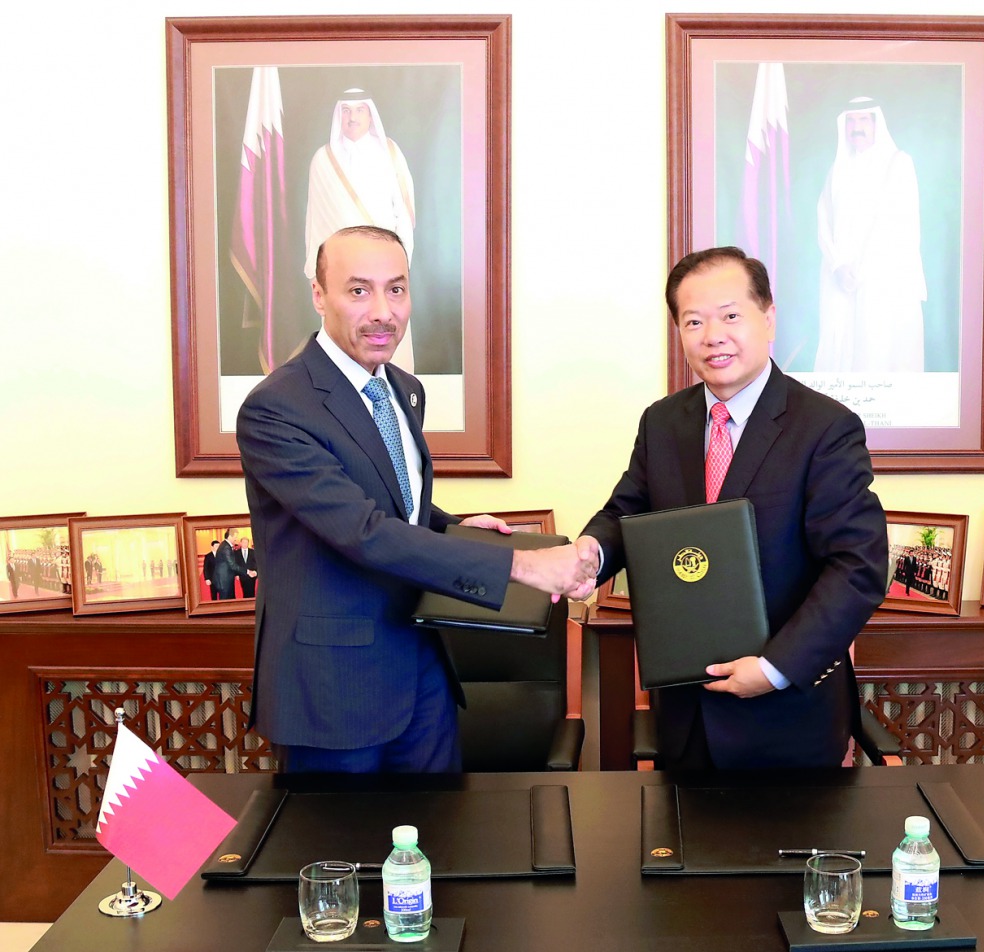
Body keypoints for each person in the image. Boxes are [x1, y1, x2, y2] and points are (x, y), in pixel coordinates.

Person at [236, 225, 594, 774]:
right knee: (337, 834)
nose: (383, 312)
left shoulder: (403, 388)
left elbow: (394, 504)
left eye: (396, 289)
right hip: (335, 687)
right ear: (319, 295)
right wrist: (523, 566)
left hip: (423, 670)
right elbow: (361, 531)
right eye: (359, 290)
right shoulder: (277, 408)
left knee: (436, 827)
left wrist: (453, 527)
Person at [575, 246, 888, 770]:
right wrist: (589, 553)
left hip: (788, 718)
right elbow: (626, 512)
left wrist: (774, 668)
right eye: (694, 321)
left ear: (768, 319)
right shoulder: (662, 422)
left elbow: (858, 567)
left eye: (730, 316)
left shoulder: (825, 428)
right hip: (686, 712)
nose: (712, 335)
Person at [305, 88, 418, 372]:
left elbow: (403, 216)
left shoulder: (390, 153)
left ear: (370, 114)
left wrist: (396, 271)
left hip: (384, 269)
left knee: (394, 364)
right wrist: (320, 273)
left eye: (359, 110)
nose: (352, 117)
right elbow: (316, 219)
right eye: (346, 110)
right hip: (343, 279)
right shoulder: (323, 159)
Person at [813, 97, 927, 374]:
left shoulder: (898, 164)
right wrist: (838, 266)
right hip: (840, 279)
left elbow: (896, 225)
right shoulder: (837, 170)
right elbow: (823, 220)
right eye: (851, 120)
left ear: (876, 124)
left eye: (864, 119)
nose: (857, 127)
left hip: (884, 280)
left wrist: (861, 272)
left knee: (880, 351)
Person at [211, 529, 247, 600]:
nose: (236, 539)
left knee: (230, 601)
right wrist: (247, 571)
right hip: (224, 581)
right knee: (226, 602)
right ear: (230, 536)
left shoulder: (225, 545)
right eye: (235, 537)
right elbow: (232, 565)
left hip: (226, 580)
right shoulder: (226, 547)